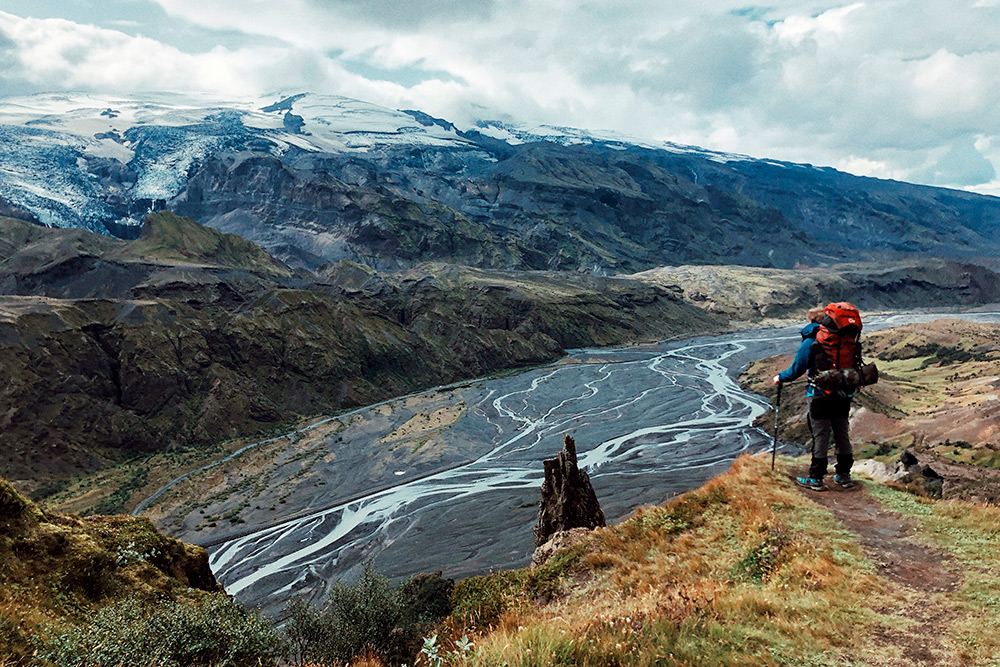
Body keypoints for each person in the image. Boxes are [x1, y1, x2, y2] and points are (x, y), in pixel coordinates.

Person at [773, 306, 855, 491]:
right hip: (844, 394)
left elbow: (796, 369)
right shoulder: (843, 340)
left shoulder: (811, 341)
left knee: (821, 435)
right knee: (842, 433)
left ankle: (816, 478)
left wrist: (780, 377)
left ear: (811, 322)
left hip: (819, 395)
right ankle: (844, 475)